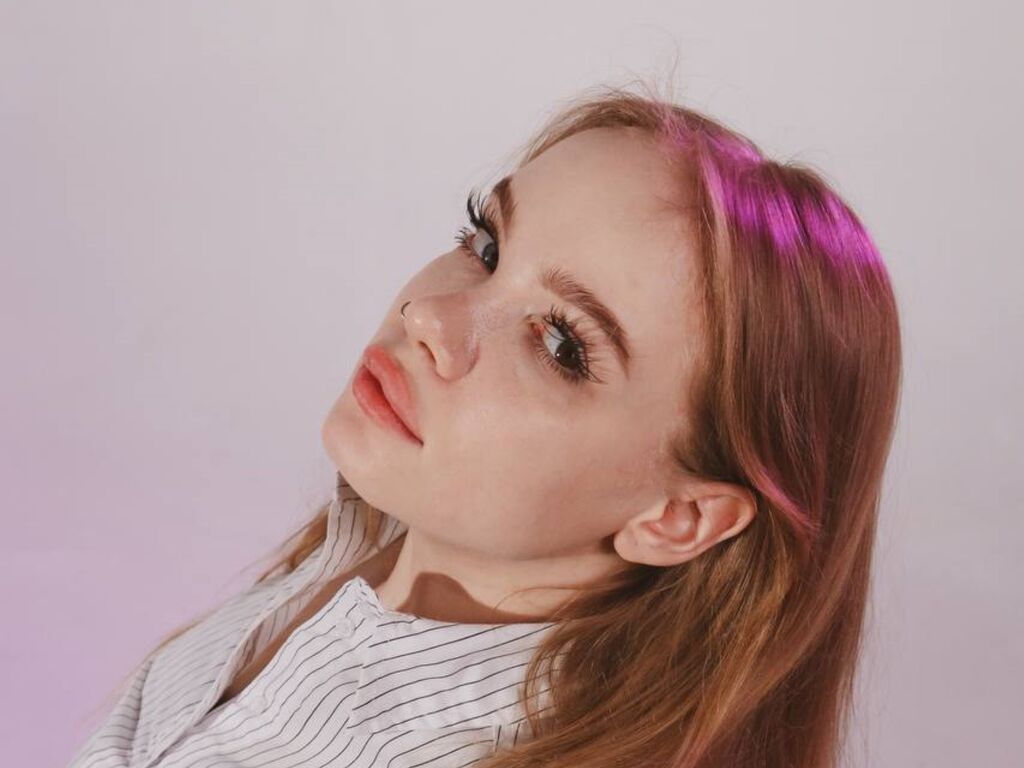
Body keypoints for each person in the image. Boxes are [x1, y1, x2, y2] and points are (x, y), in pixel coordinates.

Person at [68, 79, 903, 768]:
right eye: (487, 245)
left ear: (678, 517)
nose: (430, 314)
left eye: (561, 343)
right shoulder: (377, 542)